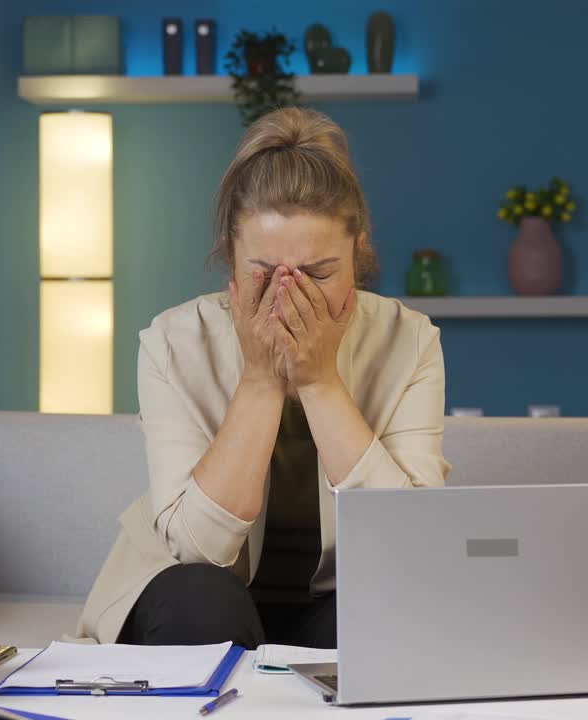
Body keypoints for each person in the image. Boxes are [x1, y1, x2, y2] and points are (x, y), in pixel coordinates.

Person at [76, 107, 450, 649]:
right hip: (196, 593)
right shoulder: (173, 342)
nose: (289, 297)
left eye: (319, 273)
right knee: (203, 599)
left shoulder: (409, 341)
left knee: (391, 606)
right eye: (265, 273)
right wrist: (260, 379)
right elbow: (198, 549)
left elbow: (411, 545)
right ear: (230, 256)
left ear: (358, 253)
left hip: (337, 598)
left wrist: (320, 381)